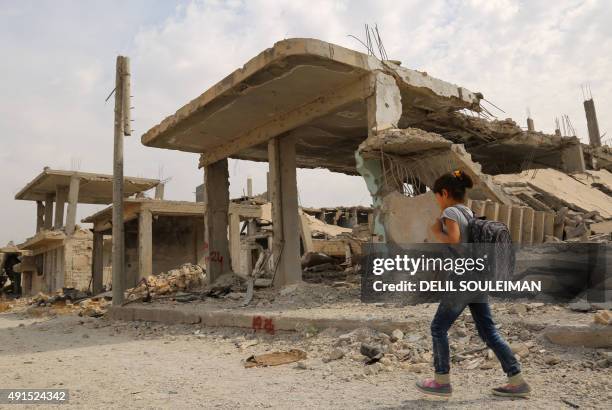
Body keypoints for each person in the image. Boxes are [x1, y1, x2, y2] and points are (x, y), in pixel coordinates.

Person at [415, 169, 531, 398]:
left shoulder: (449, 212)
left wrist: (437, 232)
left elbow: (457, 243)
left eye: (436, 196)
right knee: (488, 330)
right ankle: (516, 380)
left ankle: (441, 381)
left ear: (445, 193)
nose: (436, 201)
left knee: (438, 328)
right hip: (478, 279)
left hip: (462, 281)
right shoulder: (468, 212)